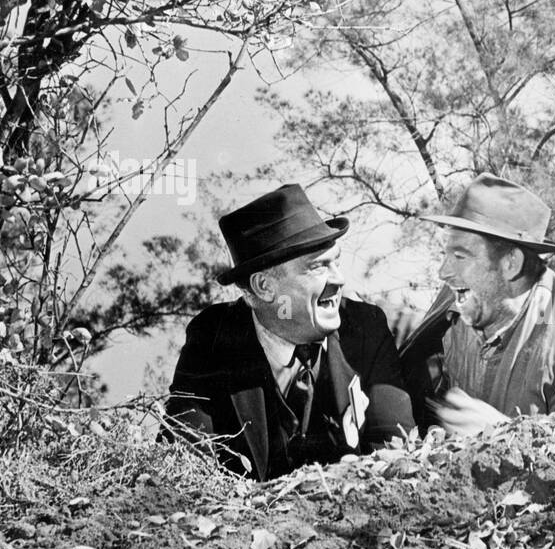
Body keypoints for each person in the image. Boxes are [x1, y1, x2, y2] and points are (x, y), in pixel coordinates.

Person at [165, 184, 414, 480]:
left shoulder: (364, 328)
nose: (340, 279)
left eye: (337, 261)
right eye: (319, 267)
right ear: (264, 287)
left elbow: (396, 450)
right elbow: (182, 464)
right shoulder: (213, 339)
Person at [399, 174, 555, 435]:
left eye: (460, 256)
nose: (443, 272)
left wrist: (502, 432)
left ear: (511, 264)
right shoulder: (459, 305)